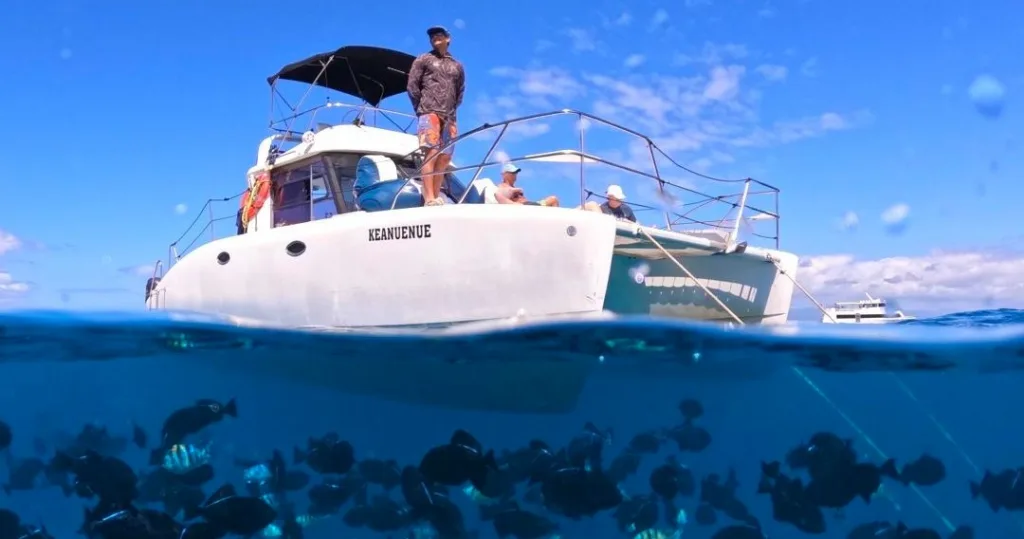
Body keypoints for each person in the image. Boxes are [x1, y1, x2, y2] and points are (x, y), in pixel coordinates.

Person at [407, 25, 466, 207]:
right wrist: (422, 108)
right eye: (432, 36)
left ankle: (437, 195)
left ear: (448, 39)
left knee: (445, 157)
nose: (435, 38)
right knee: (431, 153)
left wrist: (451, 110)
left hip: (449, 115)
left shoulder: (457, 65)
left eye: (439, 35)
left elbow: (460, 91)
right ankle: (429, 197)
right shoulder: (423, 59)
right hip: (429, 111)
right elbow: (412, 86)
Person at [493, 163, 559, 206]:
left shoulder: (511, 186)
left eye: (515, 173)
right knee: (553, 199)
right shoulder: (502, 186)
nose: (515, 175)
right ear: (504, 175)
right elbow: (498, 195)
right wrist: (515, 190)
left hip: (530, 204)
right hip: (525, 207)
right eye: (512, 173)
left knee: (553, 199)